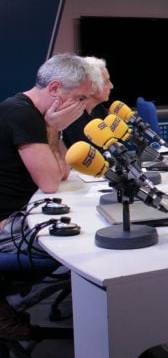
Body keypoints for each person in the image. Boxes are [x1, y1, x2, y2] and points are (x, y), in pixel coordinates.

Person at [0, 54, 95, 339]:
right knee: (93, 240)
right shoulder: (21, 113)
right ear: (54, 89)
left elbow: (63, 170)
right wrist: (53, 127)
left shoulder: (34, 114)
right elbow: (51, 182)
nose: (82, 107)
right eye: (79, 98)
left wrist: (54, 128)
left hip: (23, 214)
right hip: (9, 226)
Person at [62, 56, 114, 147]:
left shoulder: (98, 108)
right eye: (107, 82)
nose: (111, 86)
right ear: (91, 87)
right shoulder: (72, 117)